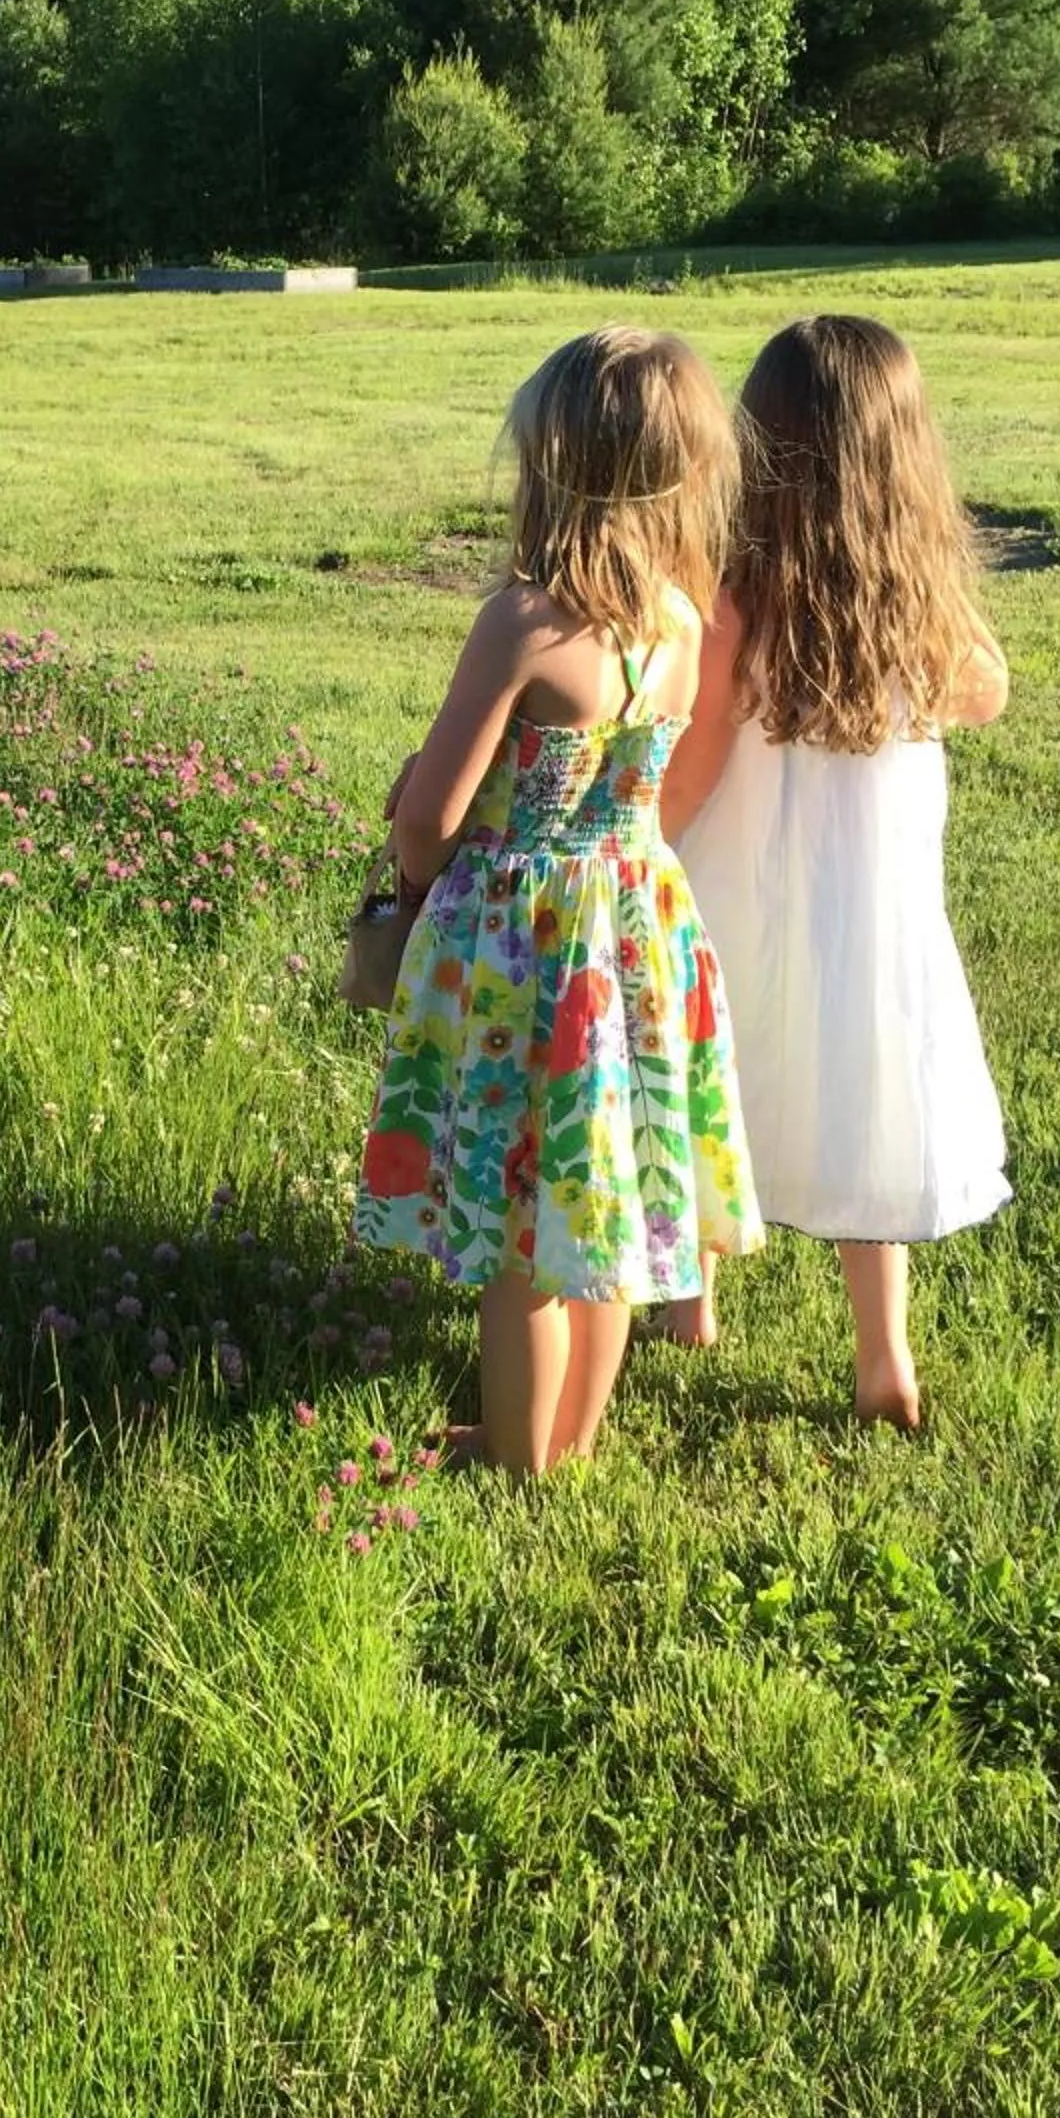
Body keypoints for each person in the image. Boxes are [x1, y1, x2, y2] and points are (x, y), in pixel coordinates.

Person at [356, 326, 764, 1477]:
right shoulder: (684, 624)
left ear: (554, 467)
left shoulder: (527, 621)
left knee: (515, 1232)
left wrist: (420, 856)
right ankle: (573, 1437)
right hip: (635, 931)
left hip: (522, 954)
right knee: (602, 1207)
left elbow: (430, 819)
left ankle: (518, 1458)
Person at [660, 315, 1014, 1430]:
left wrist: (639, 842)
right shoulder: (918, 610)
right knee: (865, 1099)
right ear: (906, 457)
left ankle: (693, 1301)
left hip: (736, 894)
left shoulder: (734, 607)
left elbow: (696, 772)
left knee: (717, 1081)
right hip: (874, 914)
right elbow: (987, 691)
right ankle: (882, 1361)